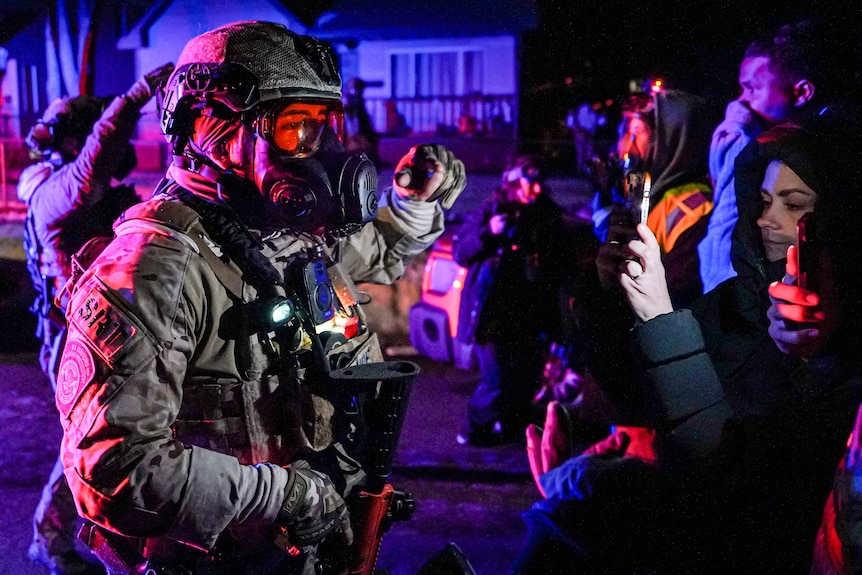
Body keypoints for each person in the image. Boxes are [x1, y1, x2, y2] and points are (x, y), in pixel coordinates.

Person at [53, 20, 465, 575]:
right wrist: (291, 496)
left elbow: (377, 250)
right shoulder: (155, 271)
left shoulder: (280, 238)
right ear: (210, 128)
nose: (321, 152)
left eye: (327, 126)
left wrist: (414, 200)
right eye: (297, 127)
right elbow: (117, 470)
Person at [515, 113, 862, 574]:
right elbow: (647, 398)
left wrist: (597, 488)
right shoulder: (739, 300)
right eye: (762, 200)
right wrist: (608, 301)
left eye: (795, 205)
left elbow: (737, 491)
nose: (766, 219)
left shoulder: (838, 337)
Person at [18, 62, 174, 575]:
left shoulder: (96, 190)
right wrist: (132, 100)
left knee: (128, 440)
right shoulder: (54, 192)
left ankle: (98, 540)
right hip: (76, 343)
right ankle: (53, 538)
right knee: (95, 446)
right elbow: (89, 170)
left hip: (112, 332)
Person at [698, 17, 858, 293]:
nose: (740, 102)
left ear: (801, 93)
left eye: (753, 88)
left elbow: (725, 251)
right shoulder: (776, 145)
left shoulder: (826, 156)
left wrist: (738, 137)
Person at [453, 155, 591, 446]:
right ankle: (475, 430)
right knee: (497, 379)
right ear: (512, 184)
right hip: (493, 314)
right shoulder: (491, 210)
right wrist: (488, 233)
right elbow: (462, 252)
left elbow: (563, 261)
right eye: (529, 182)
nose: (536, 190)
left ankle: (514, 430)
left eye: (538, 182)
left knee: (527, 377)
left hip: (530, 312)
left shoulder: (546, 216)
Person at [592, 88, 715, 307]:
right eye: (624, 131)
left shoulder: (694, 210)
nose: (624, 146)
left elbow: (679, 301)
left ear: (671, 141)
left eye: (635, 131)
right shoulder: (648, 197)